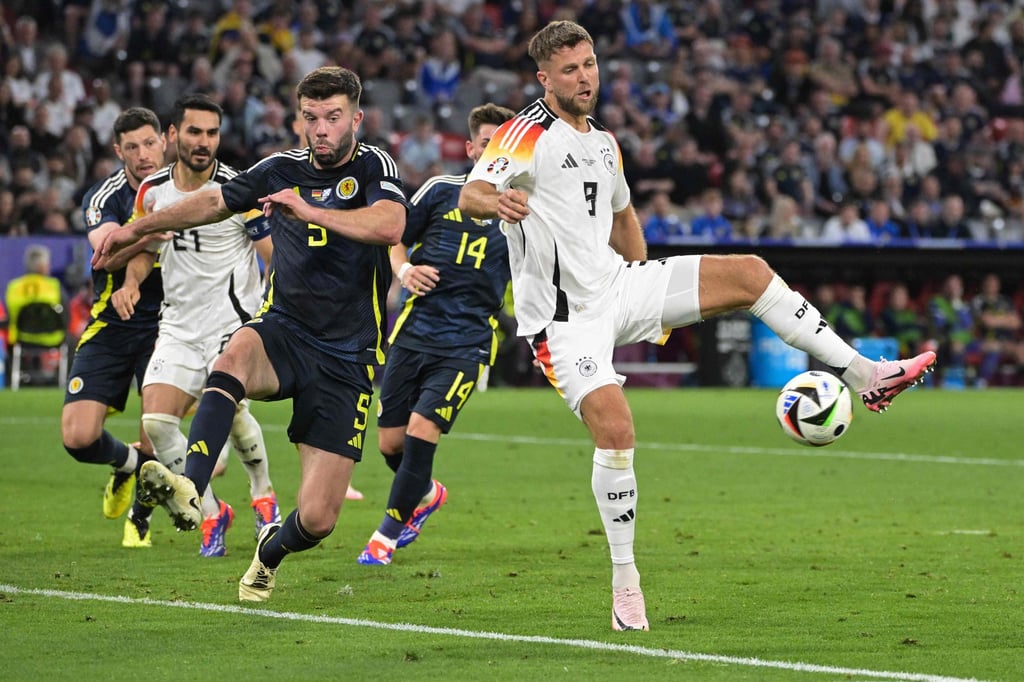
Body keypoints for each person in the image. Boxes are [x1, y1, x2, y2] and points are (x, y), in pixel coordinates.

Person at [457, 20, 937, 633]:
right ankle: (626, 583)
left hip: (617, 286)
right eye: (570, 70)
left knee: (750, 273)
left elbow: (623, 218)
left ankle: (867, 375)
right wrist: (497, 201)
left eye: (590, 64)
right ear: (544, 79)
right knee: (616, 431)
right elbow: (473, 193)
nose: (584, 77)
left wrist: (646, 294)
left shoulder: (603, 142)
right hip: (564, 321)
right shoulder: (523, 133)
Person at [92, 66, 406, 601]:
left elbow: (389, 225)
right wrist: (138, 227)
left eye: (333, 117)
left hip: (348, 356)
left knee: (318, 518)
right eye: (311, 117)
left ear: (355, 119)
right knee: (234, 356)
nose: (321, 129)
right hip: (286, 330)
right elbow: (215, 201)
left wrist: (308, 210)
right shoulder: (279, 168)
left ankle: (269, 553)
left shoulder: (375, 165)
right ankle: (192, 486)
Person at [110, 94, 279, 556]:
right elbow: (147, 246)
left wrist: (275, 309)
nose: (204, 142)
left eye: (212, 133)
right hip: (179, 325)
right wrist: (131, 283)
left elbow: (273, 255)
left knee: (234, 410)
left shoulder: (238, 190)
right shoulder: (152, 192)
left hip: (232, 322)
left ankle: (263, 496)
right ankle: (212, 511)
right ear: (173, 135)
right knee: (156, 423)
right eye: (194, 132)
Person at [357, 102, 515, 567]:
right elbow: (395, 237)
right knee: (390, 443)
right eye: (487, 143)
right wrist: (405, 270)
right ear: (470, 149)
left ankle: (384, 537)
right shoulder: (441, 190)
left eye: (503, 145)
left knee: (422, 429)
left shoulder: (525, 208)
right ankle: (425, 493)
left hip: (468, 340)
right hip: (414, 330)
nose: (494, 152)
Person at [61, 107, 166, 534]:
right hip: (111, 323)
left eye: (149, 143)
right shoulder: (104, 197)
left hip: (169, 326)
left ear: (164, 141)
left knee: (158, 429)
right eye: (132, 147)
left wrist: (142, 232)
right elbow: (105, 254)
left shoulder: (185, 189)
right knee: (78, 438)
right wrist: (153, 231)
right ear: (118, 151)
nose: (143, 154)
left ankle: (139, 521)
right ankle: (129, 463)